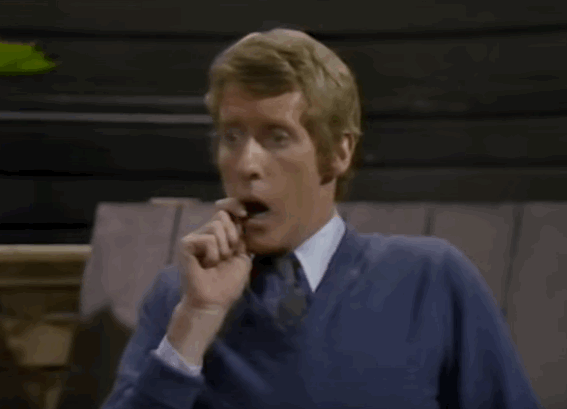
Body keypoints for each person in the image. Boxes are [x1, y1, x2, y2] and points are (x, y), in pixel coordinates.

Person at [101, 28, 543, 409]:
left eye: (277, 137)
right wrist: (196, 322)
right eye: (232, 136)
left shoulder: (429, 280)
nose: (246, 164)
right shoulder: (181, 297)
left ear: (339, 152)